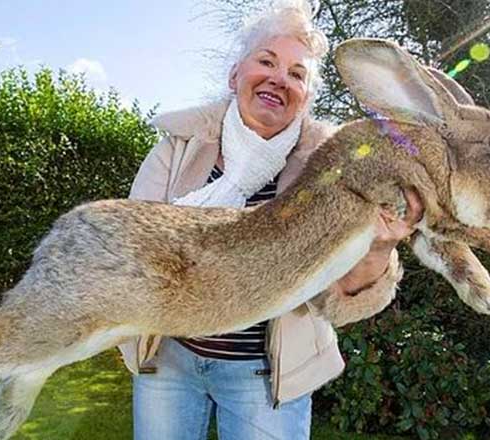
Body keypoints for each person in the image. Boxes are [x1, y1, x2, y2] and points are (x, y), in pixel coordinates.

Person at [119, 1, 423, 438]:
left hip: (265, 376)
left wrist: (378, 246)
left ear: (305, 98)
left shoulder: (332, 168)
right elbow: (133, 243)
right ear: (235, 75)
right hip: (170, 359)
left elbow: (338, 297)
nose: (279, 79)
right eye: (266, 61)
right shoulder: (178, 146)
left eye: (297, 74)